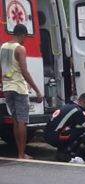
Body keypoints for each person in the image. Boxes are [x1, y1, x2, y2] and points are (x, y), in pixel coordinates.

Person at [0, 24, 43, 159]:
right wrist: (37, 90)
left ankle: (19, 152)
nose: (26, 40)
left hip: (7, 88)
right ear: (23, 35)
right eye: (26, 37)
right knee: (22, 121)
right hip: (19, 88)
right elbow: (24, 71)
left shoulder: (3, 47)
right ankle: (21, 153)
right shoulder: (20, 48)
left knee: (15, 120)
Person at [44, 93, 85, 161]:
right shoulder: (78, 111)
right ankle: (68, 152)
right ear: (84, 102)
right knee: (83, 131)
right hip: (54, 136)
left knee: (74, 128)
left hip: (48, 134)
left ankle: (62, 149)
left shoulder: (69, 106)